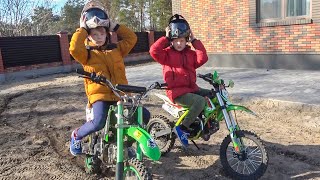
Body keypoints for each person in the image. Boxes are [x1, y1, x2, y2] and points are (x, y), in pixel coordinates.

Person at [69, 0, 150, 156]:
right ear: (89, 36)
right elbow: (73, 48)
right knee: (98, 122)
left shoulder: (116, 50)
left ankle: (125, 145)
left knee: (143, 116)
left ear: (107, 33)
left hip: (121, 94)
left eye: (102, 33)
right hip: (100, 96)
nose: (99, 37)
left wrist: (115, 26)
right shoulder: (86, 54)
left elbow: (131, 38)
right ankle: (77, 135)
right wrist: (83, 29)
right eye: (94, 34)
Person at [149, 14, 209, 147]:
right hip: (177, 92)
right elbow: (153, 51)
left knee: (211, 94)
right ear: (171, 40)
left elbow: (203, 58)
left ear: (186, 40)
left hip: (192, 88)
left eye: (182, 40)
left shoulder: (191, 54)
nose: (179, 43)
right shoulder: (166, 54)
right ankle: (182, 128)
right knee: (199, 101)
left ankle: (202, 125)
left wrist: (195, 41)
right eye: (176, 40)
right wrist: (165, 37)